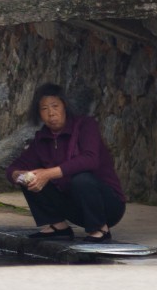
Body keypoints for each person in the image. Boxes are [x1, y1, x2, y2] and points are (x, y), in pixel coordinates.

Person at [9, 83, 127, 241]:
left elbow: (90, 159)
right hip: (76, 210)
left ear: (64, 106)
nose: (51, 113)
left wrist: (49, 173)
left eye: (55, 106)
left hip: (107, 207)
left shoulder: (86, 125)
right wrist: (21, 175)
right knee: (30, 179)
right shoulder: (42, 139)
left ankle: (100, 229)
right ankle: (58, 226)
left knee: (81, 179)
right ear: (39, 114)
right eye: (44, 109)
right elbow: (14, 168)